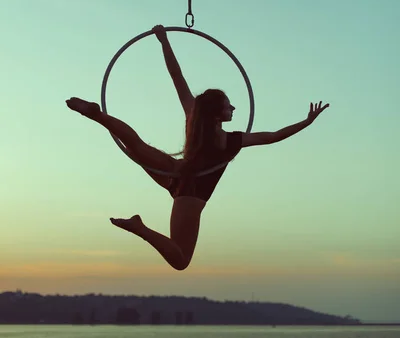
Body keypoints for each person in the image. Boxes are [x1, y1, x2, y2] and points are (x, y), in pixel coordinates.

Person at [66, 24, 329, 271]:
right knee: (181, 260)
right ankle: (140, 228)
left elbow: (176, 76)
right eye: (229, 106)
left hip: (174, 173)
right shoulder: (231, 140)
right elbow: (273, 136)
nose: (233, 109)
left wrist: (163, 40)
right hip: (190, 194)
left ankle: (96, 115)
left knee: (135, 146)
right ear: (218, 113)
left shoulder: (194, 115)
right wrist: (306, 123)